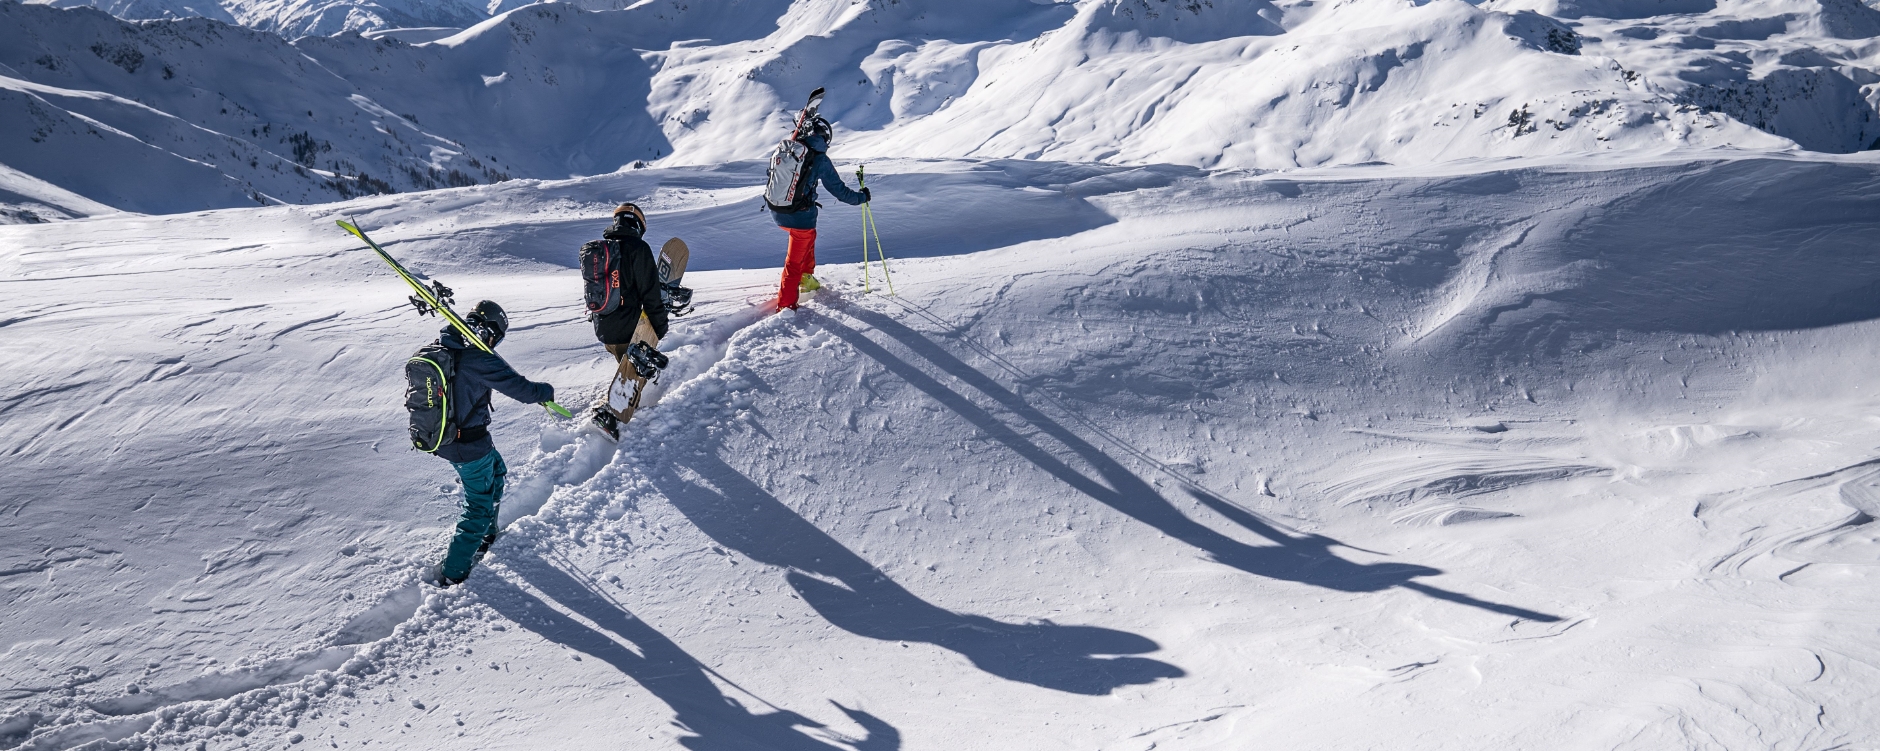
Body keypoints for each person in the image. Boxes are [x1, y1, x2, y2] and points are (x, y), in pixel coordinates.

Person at [430, 300, 556, 587]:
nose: (495, 344)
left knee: (497, 470)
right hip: (466, 445)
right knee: (478, 505)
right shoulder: (476, 357)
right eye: (496, 337)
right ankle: (453, 573)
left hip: (461, 438)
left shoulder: (448, 346)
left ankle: (487, 534)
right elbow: (522, 390)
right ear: (489, 331)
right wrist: (546, 391)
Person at [769, 114, 870, 310]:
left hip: (778, 212)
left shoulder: (791, 150)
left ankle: (807, 279)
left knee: (808, 239)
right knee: (794, 262)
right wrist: (861, 198)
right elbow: (839, 191)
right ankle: (786, 306)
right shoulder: (819, 159)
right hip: (800, 218)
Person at [588, 203, 669, 437]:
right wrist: (659, 329)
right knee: (635, 375)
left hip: (603, 328)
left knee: (625, 368)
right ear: (639, 225)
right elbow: (651, 295)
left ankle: (613, 405)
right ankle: (610, 415)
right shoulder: (638, 249)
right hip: (629, 327)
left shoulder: (602, 250)